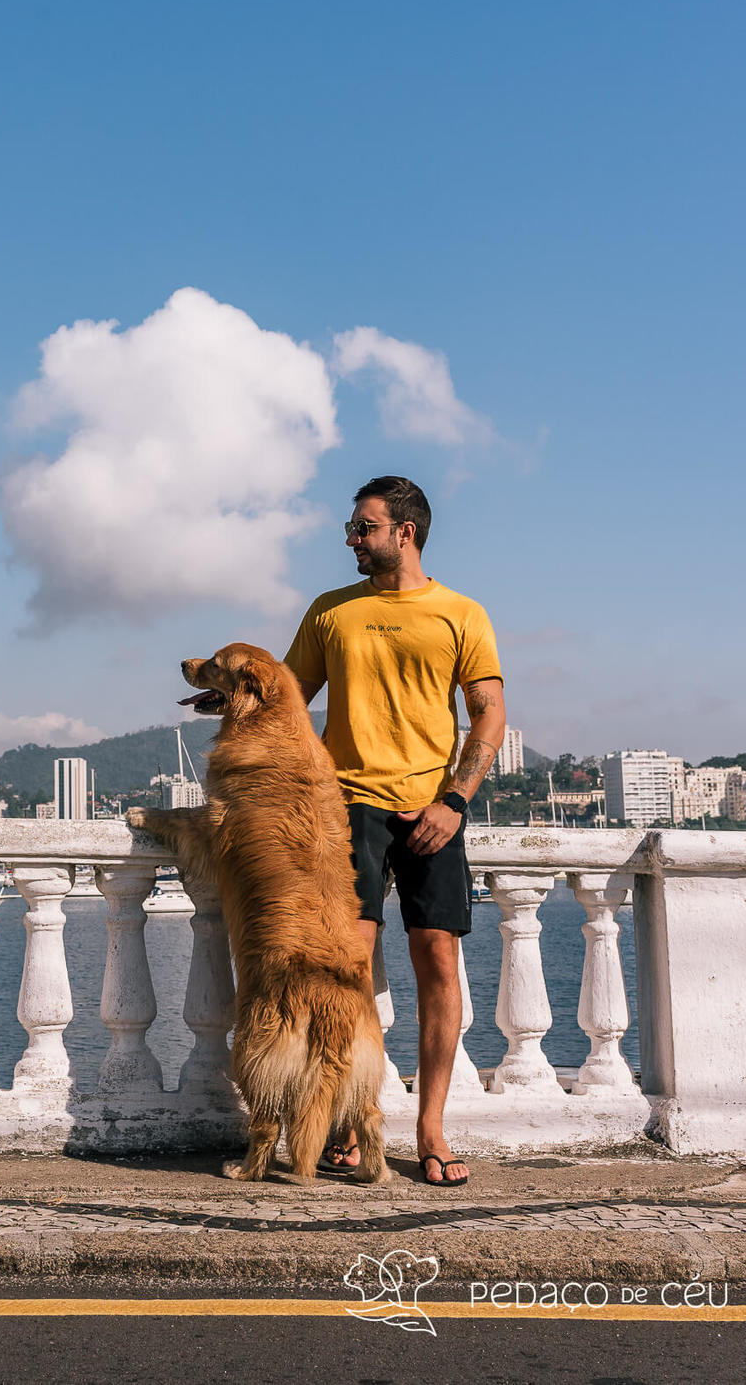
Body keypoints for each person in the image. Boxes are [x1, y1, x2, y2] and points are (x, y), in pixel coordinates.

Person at [283, 474, 505, 1187]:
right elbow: (286, 701)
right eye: (353, 528)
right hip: (347, 809)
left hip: (431, 810)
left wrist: (456, 800)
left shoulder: (460, 613)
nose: (351, 538)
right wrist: (228, 689)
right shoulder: (331, 613)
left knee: (438, 963)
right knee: (346, 968)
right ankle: (352, 1119)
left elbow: (488, 718)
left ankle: (431, 1126)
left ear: (404, 532)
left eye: (363, 527)